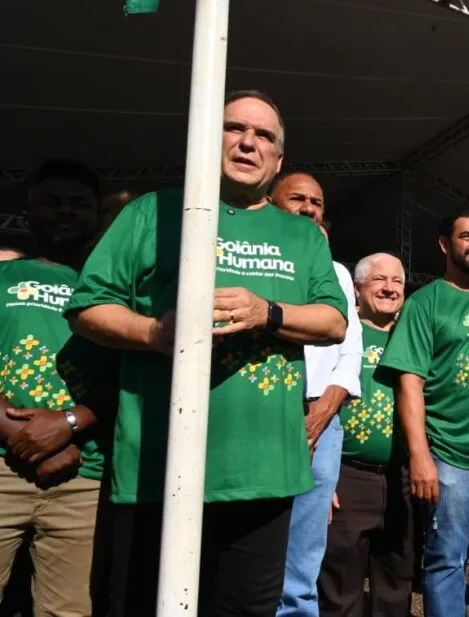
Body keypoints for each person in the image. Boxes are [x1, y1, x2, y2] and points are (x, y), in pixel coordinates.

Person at [65, 90, 350, 617]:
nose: (247, 143)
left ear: (278, 160)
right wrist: (155, 332)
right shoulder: (153, 211)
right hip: (158, 468)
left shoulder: (301, 234)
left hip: (264, 473)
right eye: (233, 128)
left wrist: (267, 312)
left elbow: (334, 321)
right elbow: (87, 307)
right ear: (202, 136)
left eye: (264, 136)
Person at [379, 210, 469, 617]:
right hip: (449, 454)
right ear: (444, 244)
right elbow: (409, 384)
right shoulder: (424, 303)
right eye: (467, 236)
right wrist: (420, 455)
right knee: (447, 559)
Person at [0, 160, 113, 617]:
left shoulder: (114, 291)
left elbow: (129, 374)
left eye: (78, 203)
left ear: (97, 216)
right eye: (53, 202)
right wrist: (16, 433)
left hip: (83, 474)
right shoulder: (4, 277)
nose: (66, 211)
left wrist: (71, 424)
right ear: (28, 213)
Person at [272, 172, 363, 617]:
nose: (308, 207)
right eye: (297, 199)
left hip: (322, 422)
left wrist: (323, 413)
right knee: (255, 543)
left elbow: (351, 349)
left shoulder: (339, 272)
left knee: (304, 555)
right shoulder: (261, 262)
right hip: (268, 412)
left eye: (317, 202)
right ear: (270, 203)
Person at [319, 252, 416, 617]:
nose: (390, 288)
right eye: (380, 280)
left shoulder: (414, 336)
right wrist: (323, 477)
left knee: (396, 582)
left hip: (401, 478)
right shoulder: (339, 333)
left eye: (397, 281)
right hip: (348, 476)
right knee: (340, 588)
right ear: (357, 289)